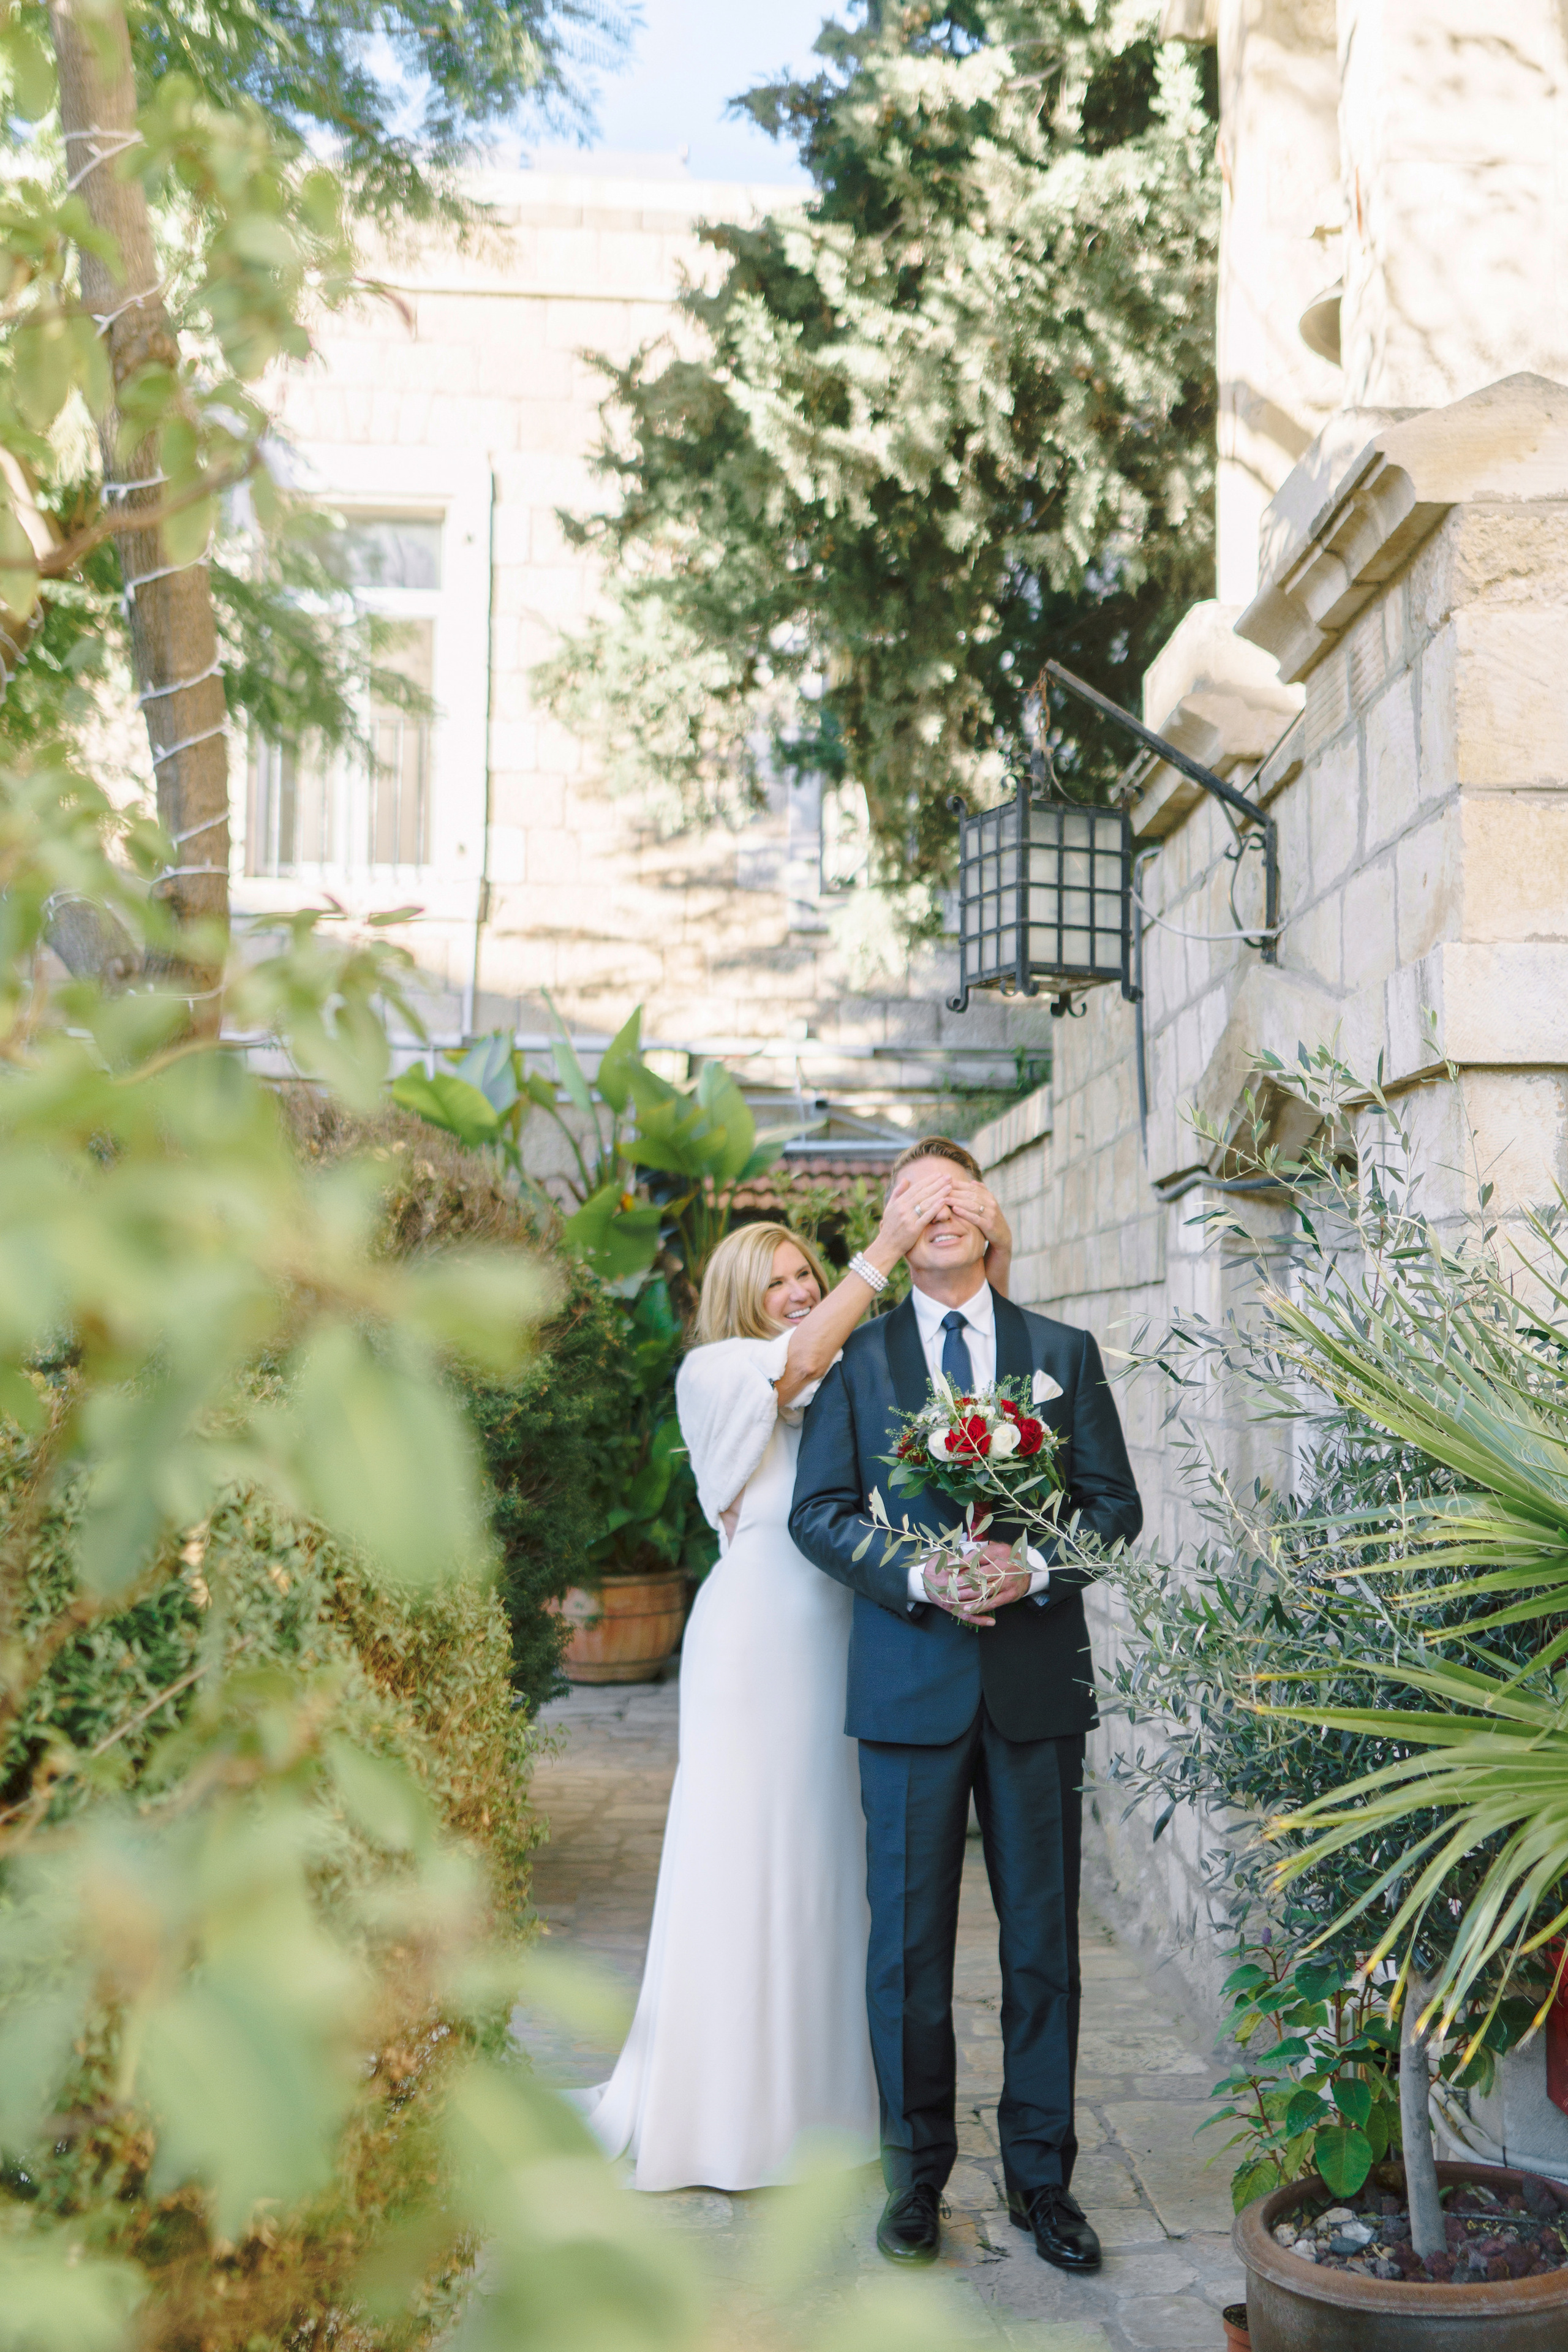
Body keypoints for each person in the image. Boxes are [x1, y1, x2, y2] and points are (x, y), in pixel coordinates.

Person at [576, 1164, 1009, 2190]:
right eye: (780, 1282)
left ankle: (829, 2109)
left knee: (831, 1864)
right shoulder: (720, 1370)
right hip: (755, 1644)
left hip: (843, 1639)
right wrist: (886, 1248)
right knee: (746, 1855)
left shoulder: (843, 1370)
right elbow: (800, 1357)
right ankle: (726, 2117)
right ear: (741, 1299)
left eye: (806, 1274)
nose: (803, 1292)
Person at [788, 1136, 1142, 2273]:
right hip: (905, 1688)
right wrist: (918, 1574)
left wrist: (1031, 1571)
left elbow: (1113, 1508)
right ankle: (916, 2179)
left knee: (1044, 1948)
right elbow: (821, 1512)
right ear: (896, 1228)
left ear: (993, 1218)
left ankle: (1045, 2182)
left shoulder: (1062, 1353)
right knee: (908, 1953)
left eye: (959, 1191)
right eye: (915, 1196)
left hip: (1036, 1688)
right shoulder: (862, 1359)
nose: (940, 1207)